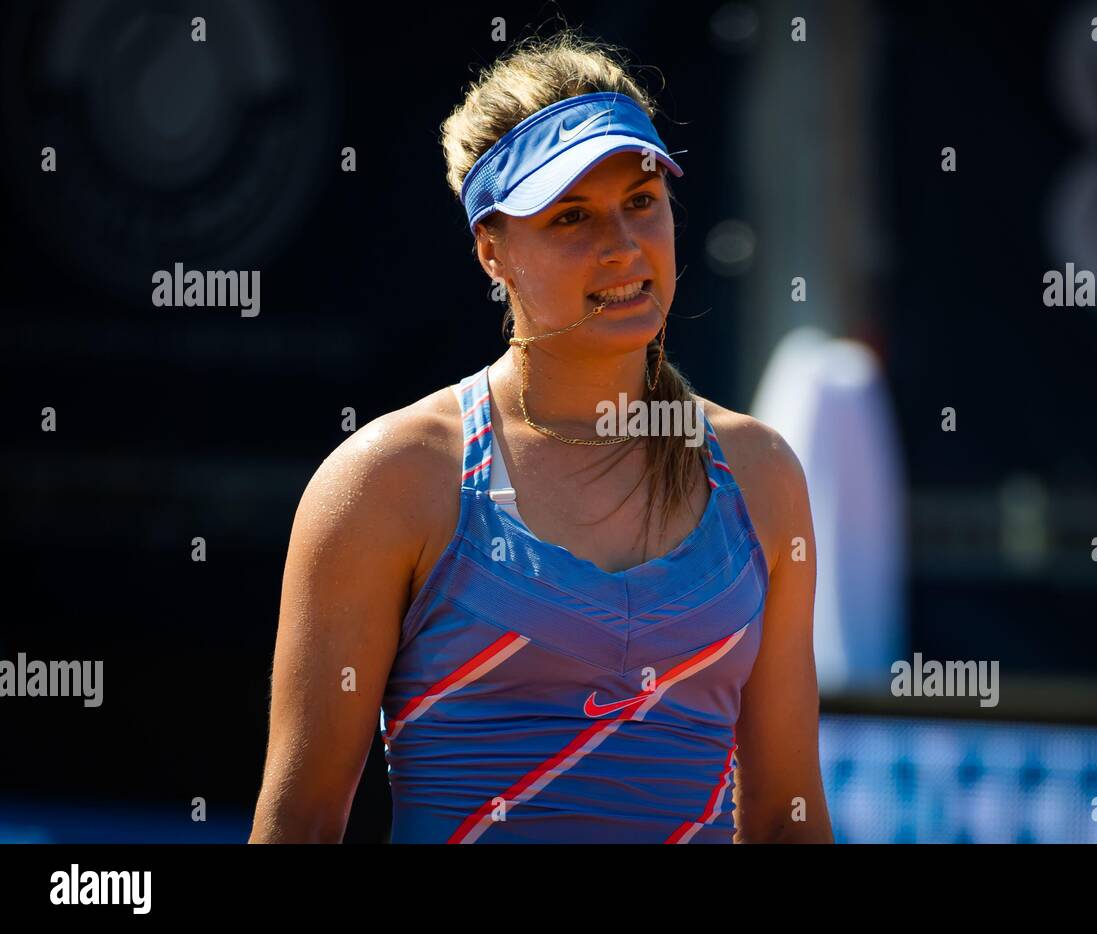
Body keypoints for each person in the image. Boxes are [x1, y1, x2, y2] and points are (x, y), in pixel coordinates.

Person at [249, 31, 831, 843]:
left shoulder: (763, 475)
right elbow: (301, 825)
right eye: (571, 217)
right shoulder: (389, 479)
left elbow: (785, 819)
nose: (624, 247)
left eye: (641, 201)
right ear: (493, 251)